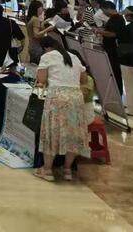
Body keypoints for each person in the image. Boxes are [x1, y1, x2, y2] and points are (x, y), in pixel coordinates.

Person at [34, 36, 90, 182]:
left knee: (52, 133)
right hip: (75, 98)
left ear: (47, 48)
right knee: (72, 134)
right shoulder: (73, 57)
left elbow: (41, 80)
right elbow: (84, 79)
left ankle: (47, 170)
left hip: (57, 97)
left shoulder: (47, 57)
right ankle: (67, 170)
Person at [97, 0, 125, 95]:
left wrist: (100, 32)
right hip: (109, 48)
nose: (103, 13)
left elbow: (113, 34)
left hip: (113, 50)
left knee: (114, 71)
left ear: (108, 8)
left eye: (103, 10)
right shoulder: (113, 18)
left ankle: (116, 93)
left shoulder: (117, 18)